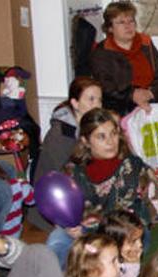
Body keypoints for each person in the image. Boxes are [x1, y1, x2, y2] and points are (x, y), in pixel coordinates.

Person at [89, 0, 158, 178]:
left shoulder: (145, 43)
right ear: (110, 28)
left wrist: (150, 93)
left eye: (131, 21)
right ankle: (138, 175)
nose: (128, 26)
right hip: (122, 102)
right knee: (134, 133)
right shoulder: (101, 52)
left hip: (153, 97)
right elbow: (106, 86)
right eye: (121, 22)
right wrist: (132, 94)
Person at [47, 108, 152, 268]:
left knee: (125, 243)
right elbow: (61, 205)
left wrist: (84, 231)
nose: (110, 142)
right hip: (84, 230)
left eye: (113, 133)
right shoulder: (72, 169)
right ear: (85, 141)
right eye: (101, 137)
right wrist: (68, 226)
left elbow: (121, 217)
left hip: (122, 231)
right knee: (57, 239)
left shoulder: (131, 166)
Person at [31, 77, 103, 230]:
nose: (97, 105)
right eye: (91, 99)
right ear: (75, 103)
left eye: (99, 100)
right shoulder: (62, 134)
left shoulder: (88, 126)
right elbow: (63, 174)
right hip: (52, 204)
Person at [98, 209, 146, 277]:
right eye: (133, 241)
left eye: (140, 238)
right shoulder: (107, 268)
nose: (140, 244)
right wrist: (133, 265)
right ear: (115, 243)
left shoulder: (123, 255)